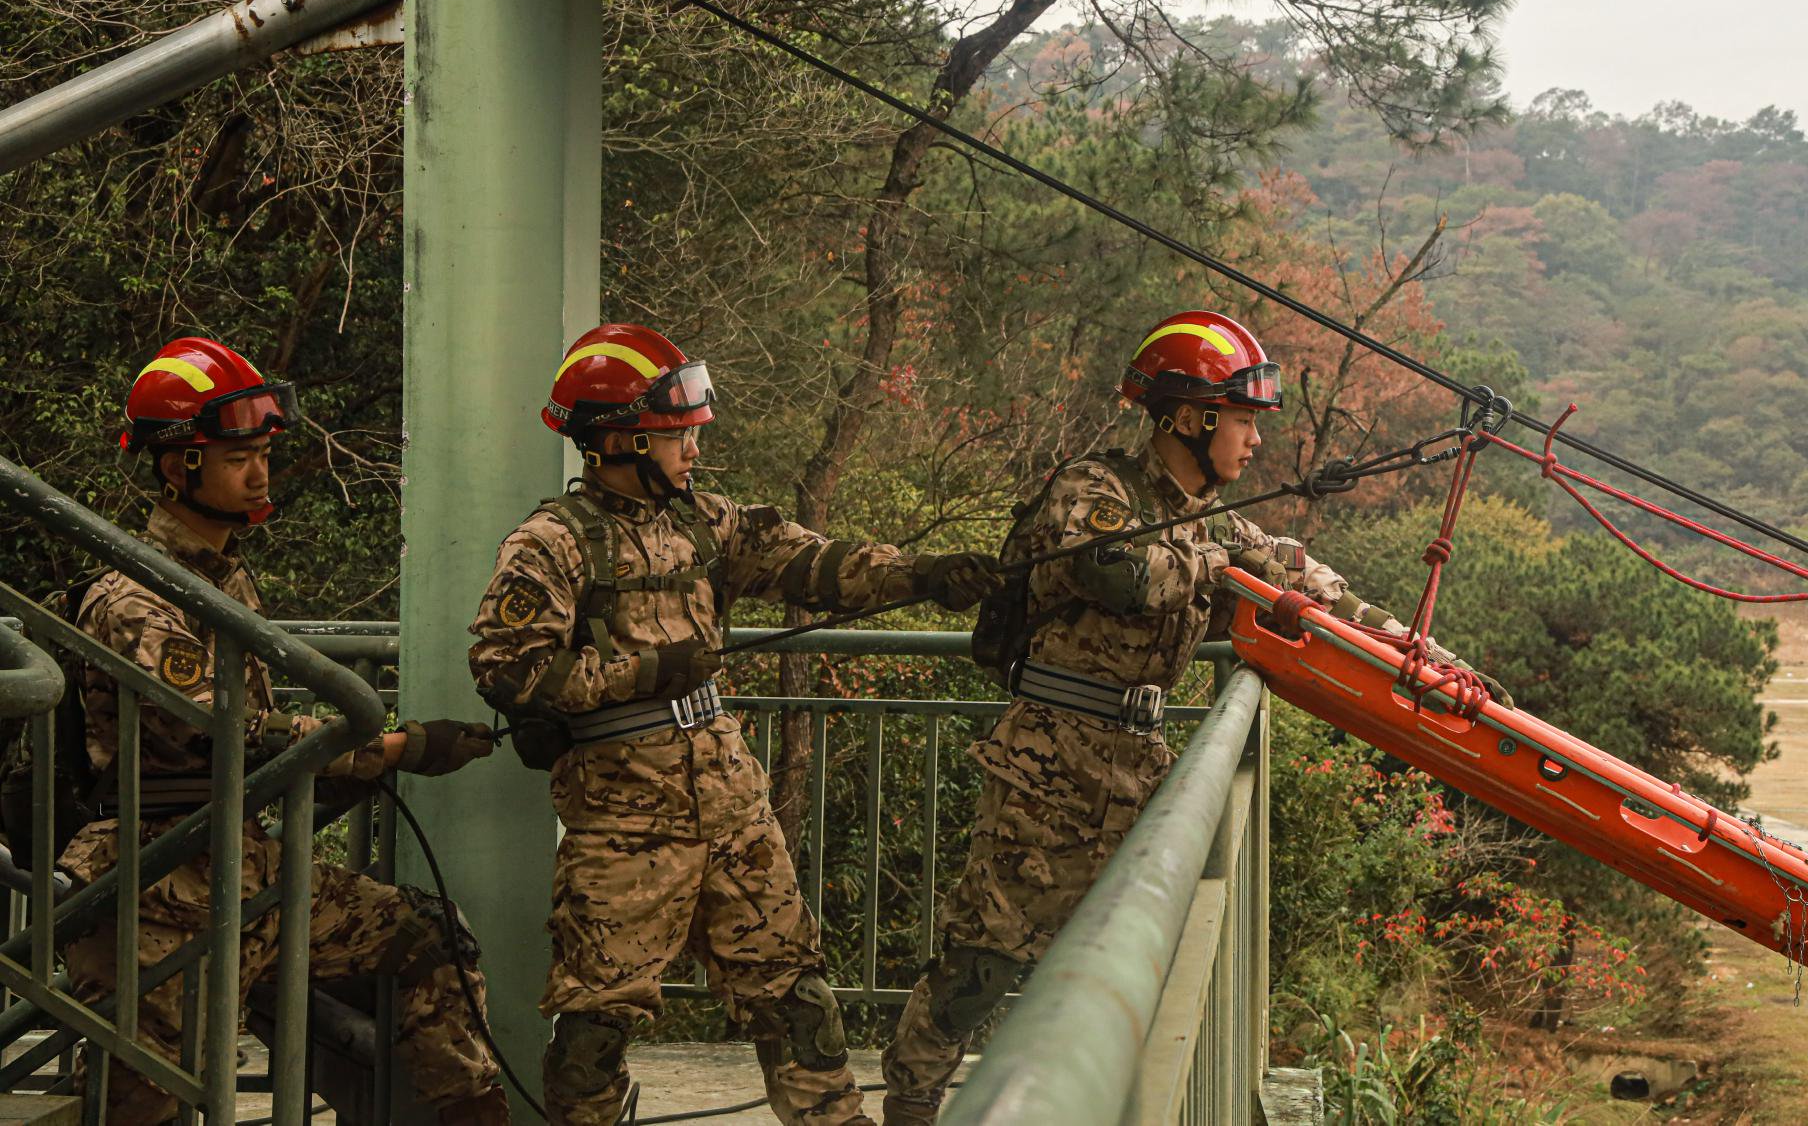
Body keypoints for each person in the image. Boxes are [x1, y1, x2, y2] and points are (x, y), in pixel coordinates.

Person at [880, 310, 1480, 1123]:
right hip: (1048, 768)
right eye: (1241, 421)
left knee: (1134, 966)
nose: (1254, 442)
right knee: (984, 956)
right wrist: (1219, 558)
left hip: (1139, 766)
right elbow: (1116, 573)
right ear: (1189, 419)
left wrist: (1424, 655)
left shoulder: (1212, 524)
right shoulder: (1096, 491)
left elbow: (1311, 585)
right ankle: (913, 1095)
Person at [466, 323, 1003, 1126]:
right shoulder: (551, 545)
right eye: (677, 433)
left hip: (733, 808)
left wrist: (924, 576)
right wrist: (643, 672)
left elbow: (817, 565)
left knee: (797, 998)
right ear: (621, 438)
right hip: (623, 824)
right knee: (596, 1029)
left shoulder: (707, 521)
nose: (693, 448)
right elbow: (505, 669)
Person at [59, 336, 505, 1125]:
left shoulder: (219, 580)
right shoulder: (134, 597)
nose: (261, 473)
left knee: (428, 938)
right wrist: (392, 748)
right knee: (148, 1102)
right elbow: (224, 731)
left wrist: (386, 752)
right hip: (155, 882)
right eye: (238, 459)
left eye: (264, 453)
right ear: (177, 467)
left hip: (241, 867)